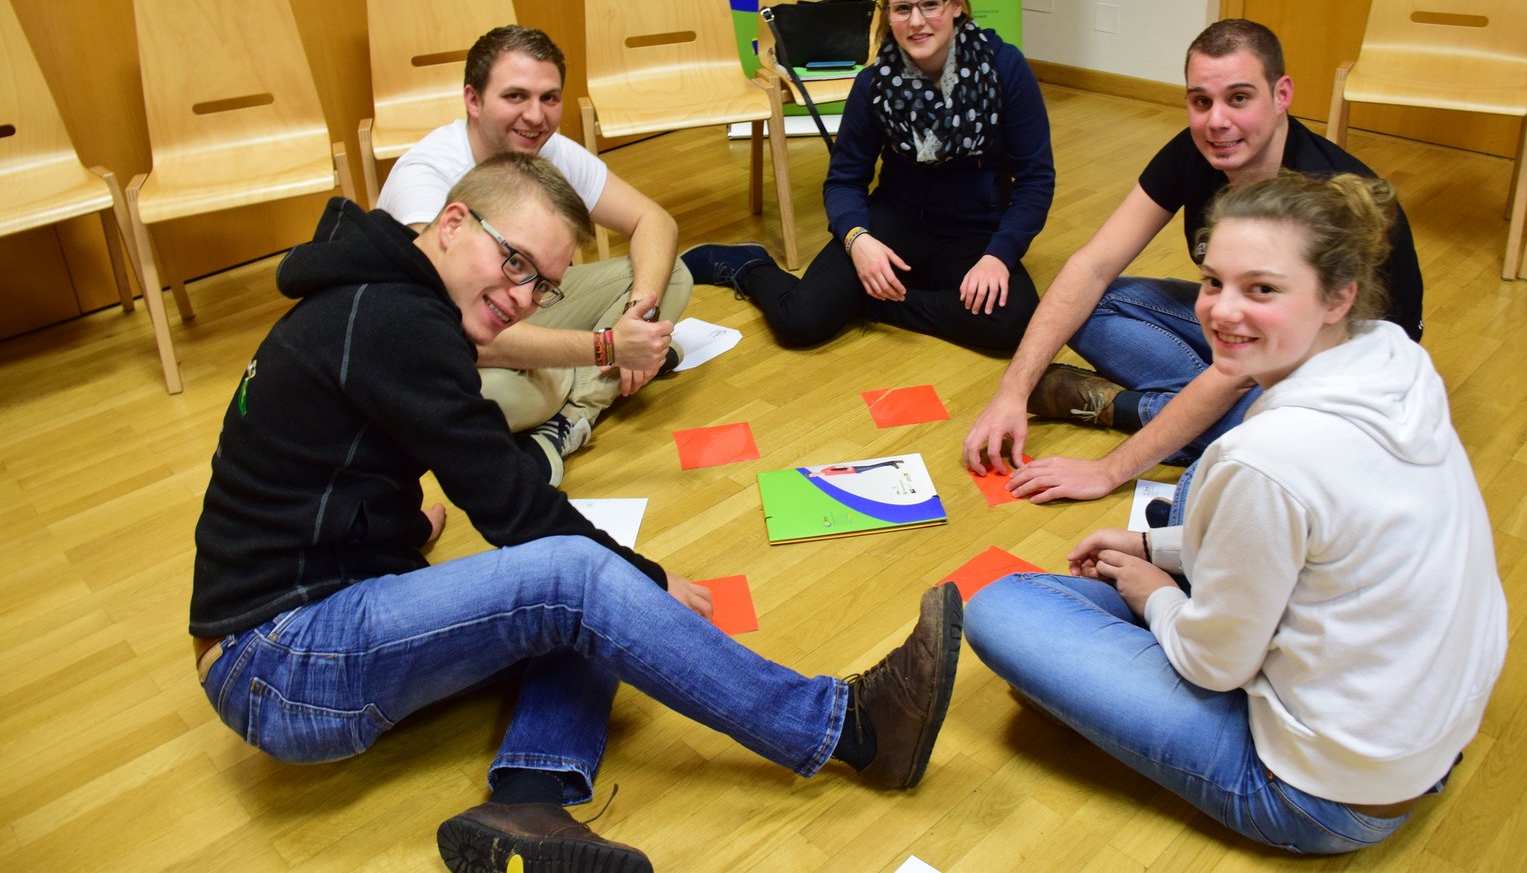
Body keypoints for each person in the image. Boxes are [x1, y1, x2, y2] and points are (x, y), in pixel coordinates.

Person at [189, 155, 964, 873]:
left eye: (542, 285)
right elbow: (512, 508)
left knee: (592, 591)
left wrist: (401, 526)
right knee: (585, 575)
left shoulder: (379, 295)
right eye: (514, 262)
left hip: (301, 629)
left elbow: (312, 463)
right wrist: (646, 580)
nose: (522, 296)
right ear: (453, 224)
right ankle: (851, 728)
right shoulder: (395, 320)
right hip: (278, 664)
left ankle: (528, 800)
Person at [964, 171, 1505, 854]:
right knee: (1188, 502)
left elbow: (1212, 665)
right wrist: (1155, 549)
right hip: (1419, 739)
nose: (1221, 310)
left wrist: (1155, 592)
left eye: (1262, 289)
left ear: (1339, 295)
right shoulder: (1397, 360)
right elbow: (1325, 539)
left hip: (1318, 795)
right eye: (1213, 281)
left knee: (1005, 607)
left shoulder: (1267, 459)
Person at [963, 19, 1423, 500]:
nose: (1217, 121)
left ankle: (1133, 410)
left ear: (1281, 94)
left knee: (1282, 435)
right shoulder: (1195, 151)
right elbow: (1092, 266)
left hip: (1345, 379)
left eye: (1239, 98)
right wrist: (1011, 392)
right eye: (1201, 101)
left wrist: (1108, 470)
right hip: (1259, 344)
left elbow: (1241, 369)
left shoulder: (1319, 199)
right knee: (1089, 300)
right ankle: (1191, 417)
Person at [681, 0, 1054, 352]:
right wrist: (858, 239)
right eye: (902, 9)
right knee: (801, 321)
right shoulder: (874, 83)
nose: (917, 21)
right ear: (887, 15)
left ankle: (874, 302)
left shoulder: (1005, 68)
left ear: (956, 6)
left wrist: (998, 256)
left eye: (930, 5)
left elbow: (1035, 179)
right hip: (896, 222)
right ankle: (749, 265)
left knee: (1013, 322)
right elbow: (844, 181)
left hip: (974, 232)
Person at [377, 25, 693, 482]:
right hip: (445, 343)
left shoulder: (548, 149)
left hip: (525, 307)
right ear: (473, 100)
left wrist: (636, 319)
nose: (535, 116)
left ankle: (569, 417)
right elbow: (448, 332)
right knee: (490, 394)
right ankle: (598, 380)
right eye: (515, 96)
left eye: (549, 98)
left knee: (671, 274)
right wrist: (608, 346)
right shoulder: (426, 176)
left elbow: (655, 221)